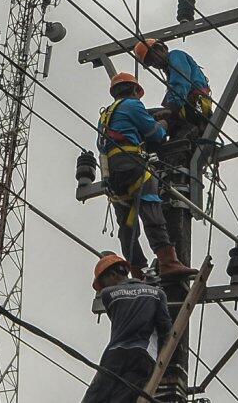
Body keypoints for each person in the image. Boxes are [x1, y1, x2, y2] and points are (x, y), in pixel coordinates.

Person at [97, 72, 198, 279]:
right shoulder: (133, 106)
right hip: (132, 166)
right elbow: (155, 135)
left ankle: (137, 270)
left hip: (113, 174)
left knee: (126, 225)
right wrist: (164, 124)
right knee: (152, 210)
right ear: (135, 90)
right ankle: (169, 262)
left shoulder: (105, 115)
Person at [82, 253, 172, 403]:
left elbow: (120, 318)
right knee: (123, 398)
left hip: (115, 354)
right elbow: (166, 331)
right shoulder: (158, 294)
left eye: (104, 282)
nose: (103, 287)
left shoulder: (108, 294)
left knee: (96, 396)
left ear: (113, 274)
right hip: (142, 355)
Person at [134, 39, 212, 140]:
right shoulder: (169, 70)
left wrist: (171, 108)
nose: (154, 64)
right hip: (187, 106)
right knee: (149, 117)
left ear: (162, 49)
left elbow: (181, 80)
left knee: (150, 116)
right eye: (150, 63)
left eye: (152, 58)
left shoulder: (175, 55)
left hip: (193, 106)